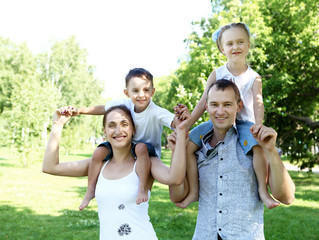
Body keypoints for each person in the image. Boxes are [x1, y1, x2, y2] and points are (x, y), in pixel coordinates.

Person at [169, 80, 295, 240]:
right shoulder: (197, 146)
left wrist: (271, 151)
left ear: (239, 106)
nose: (220, 111)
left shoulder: (254, 141)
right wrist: (176, 150)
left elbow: (287, 197)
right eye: (214, 104)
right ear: (206, 107)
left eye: (227, 104)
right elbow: (177, 196)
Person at [43, 104, 190, 240]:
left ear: (133, 130)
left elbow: (175, 178)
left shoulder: (145, 162)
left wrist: (178, 143)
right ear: (105, 131)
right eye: (112, 125)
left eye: (124, 124)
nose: (118, 131)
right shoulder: (99, 165)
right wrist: (58, 125)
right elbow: (50, 167)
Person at [182, 22, 278, 209]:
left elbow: (258, 102)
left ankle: (263, 191)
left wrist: (258, 124)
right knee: (188, 146)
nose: (235, 47)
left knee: (257, 147)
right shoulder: (217, 74)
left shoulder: (253, 77)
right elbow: (203, 102)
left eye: (240, 42)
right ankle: (194, 191)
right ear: (222, 48)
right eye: (230, 43)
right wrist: (187, 125)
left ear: (248, 45)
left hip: (243, 123)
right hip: (217, 121)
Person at [62, 68, 176, 210]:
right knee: (98, 152)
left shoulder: (156, 112)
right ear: (127, 93)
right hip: (127, 146)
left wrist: (181, 117)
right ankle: (90, 190)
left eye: (146, 90)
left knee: (140, 147)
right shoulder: (126, 104)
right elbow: (103, 109)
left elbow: (175, 122)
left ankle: (142, 188)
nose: (141, 95)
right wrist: (79, 111)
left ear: (152, 91)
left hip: (146, 150)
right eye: (135, 91)